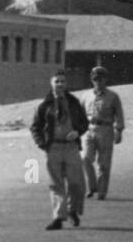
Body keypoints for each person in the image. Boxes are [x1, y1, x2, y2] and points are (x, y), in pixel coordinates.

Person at [31, 70, 89, 230]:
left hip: (71, 147)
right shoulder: (44, 105)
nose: (60, 84)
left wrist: (77, 132)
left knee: (76, 183)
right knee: (56, 184)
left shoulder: (74, 102)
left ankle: (72, 210)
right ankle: (58, 217)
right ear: (51, 83)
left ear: (66, 84)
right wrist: (42, 144)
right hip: (53, 148)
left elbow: (84, 123)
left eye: (62, 81)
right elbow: (35, 127)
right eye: (57, 81)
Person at [81, 66, 125, 200]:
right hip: (89, 129)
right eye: (95, 79)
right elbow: (79, 115)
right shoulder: (86, 96)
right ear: (91, 80)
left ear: (105, 80)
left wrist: (119, 130)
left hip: (105, 129)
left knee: (104, 163)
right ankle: (92, 186)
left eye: (101, 79)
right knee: (85, 159)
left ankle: (101, 191)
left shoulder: (113, 96)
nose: (98, 82)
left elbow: (119, 115)